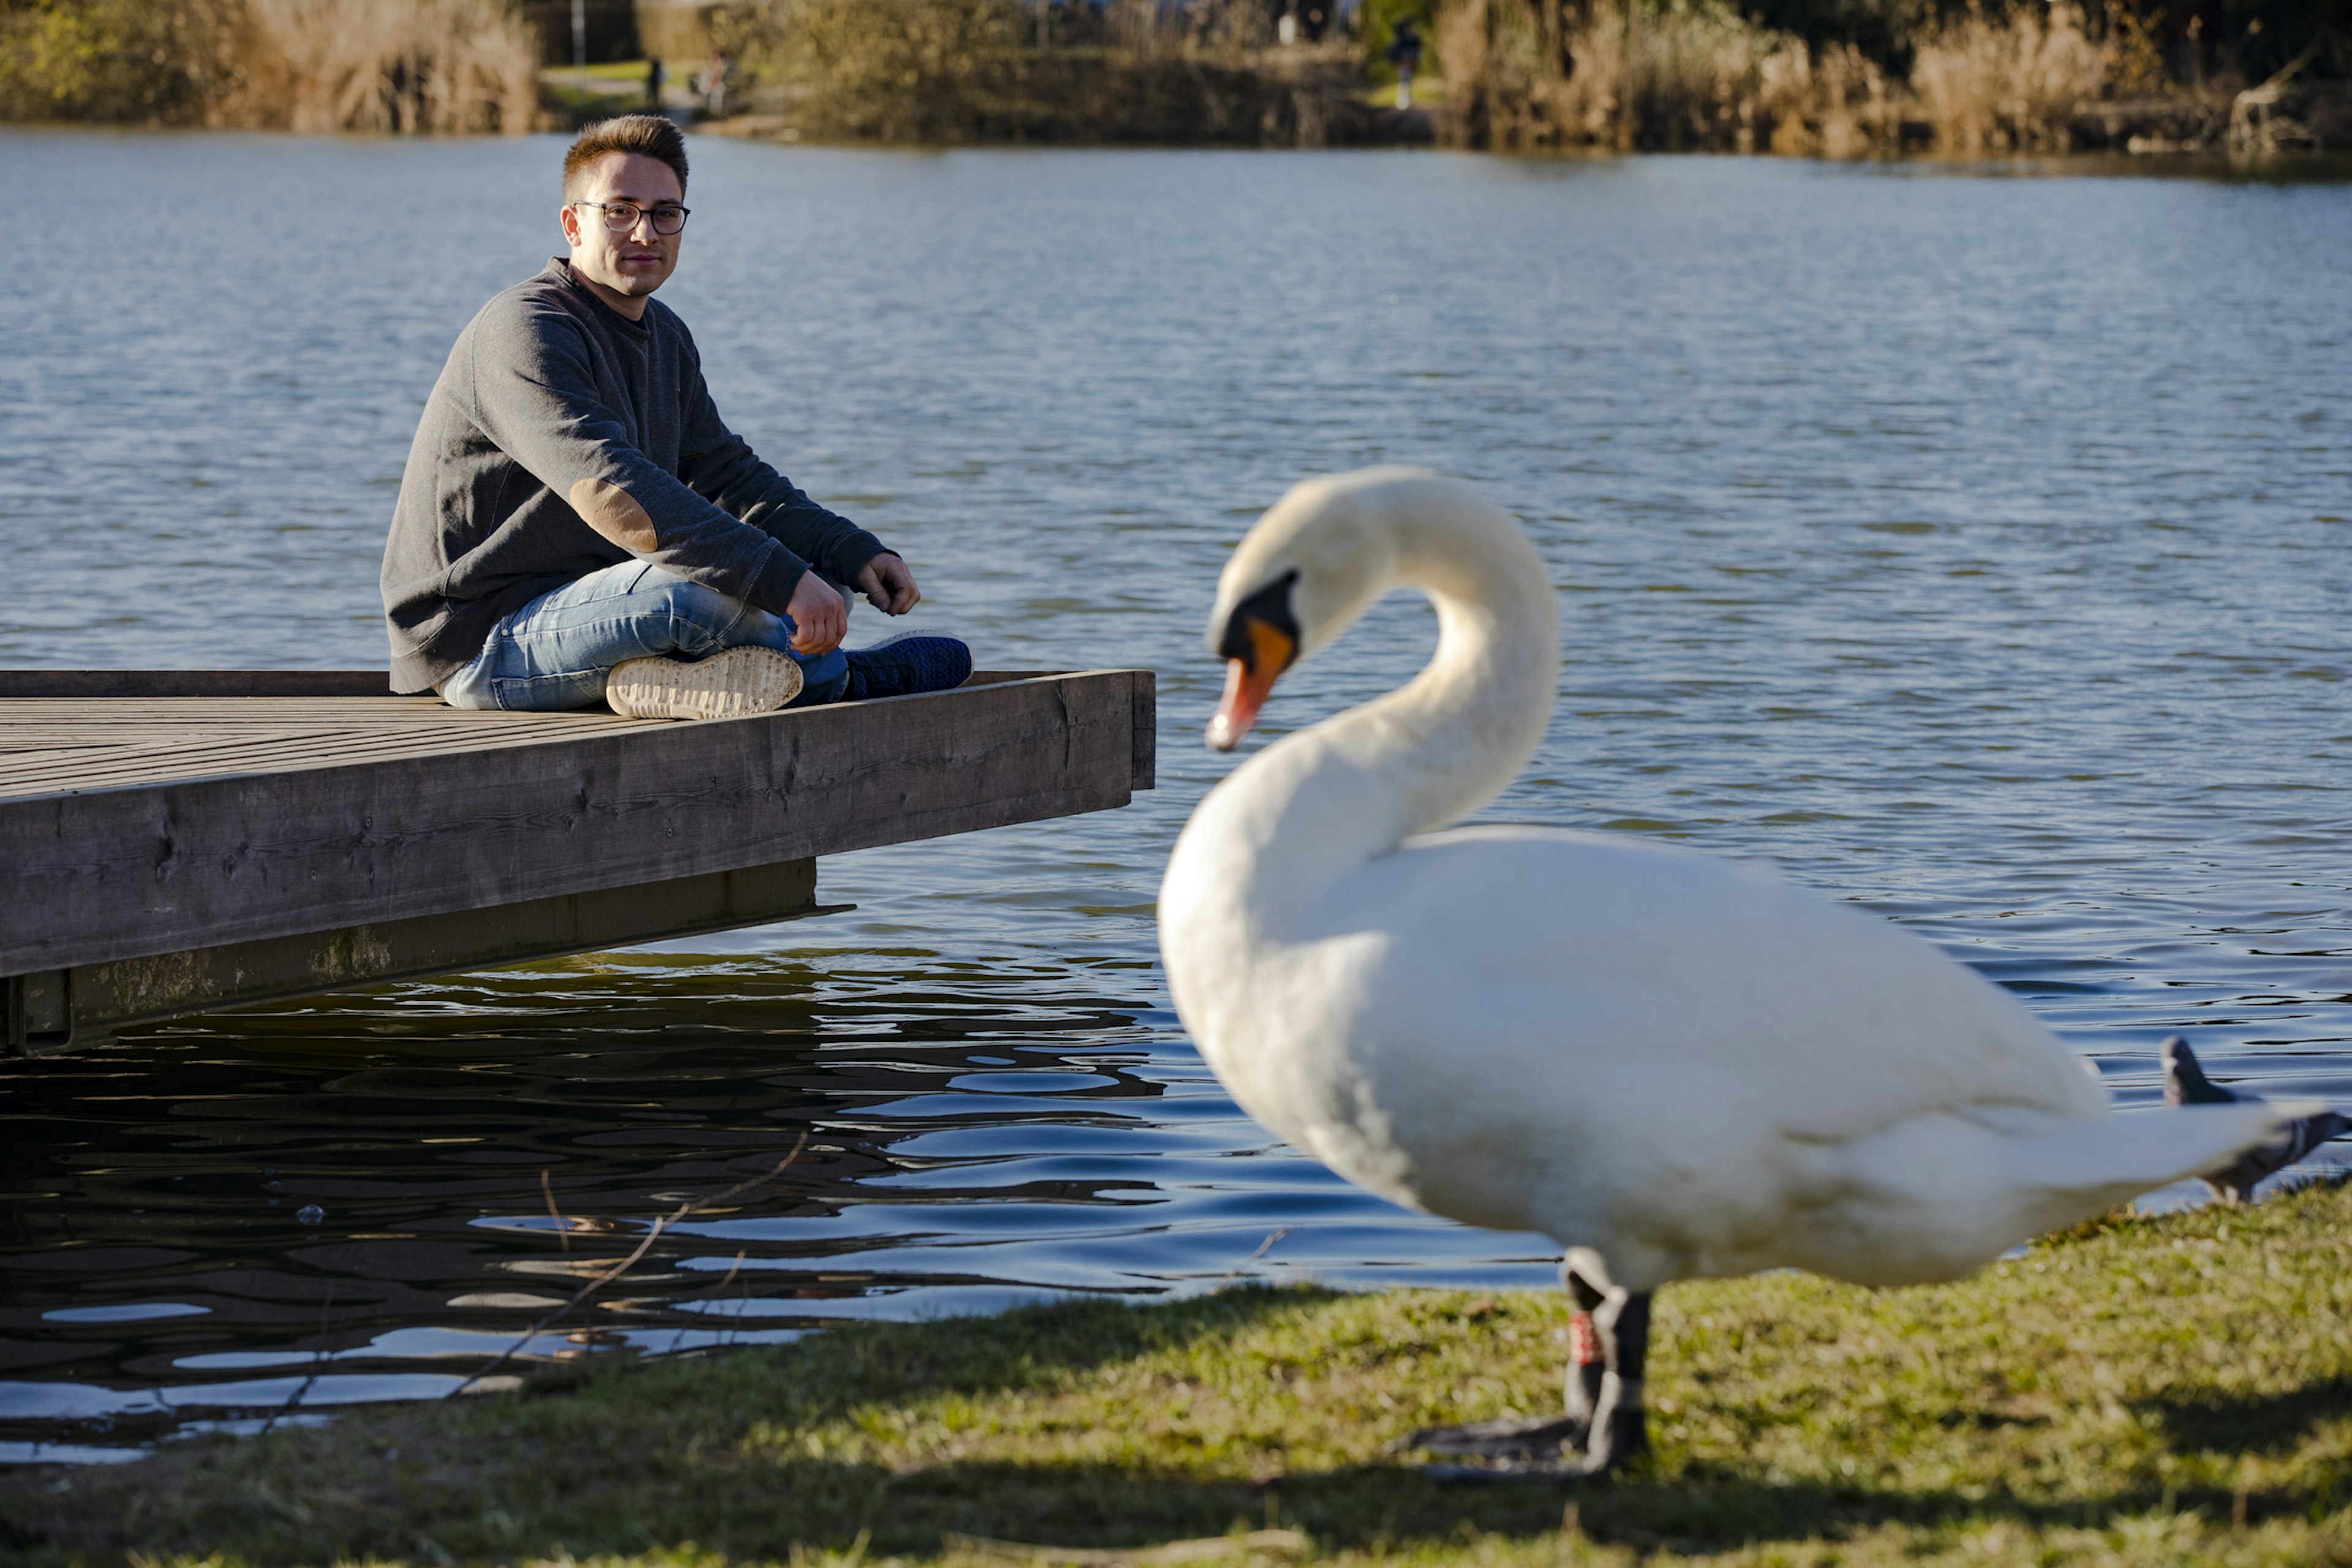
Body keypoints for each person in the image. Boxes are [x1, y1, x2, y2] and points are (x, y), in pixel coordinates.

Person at [380, 115, 969, 720]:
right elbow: (612, 491)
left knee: (813, 575)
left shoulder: (665, 335)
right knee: (697, 590)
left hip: (594, 608)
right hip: (481, 640)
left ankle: (663, 682)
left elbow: (730, 477)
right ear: (573, 223)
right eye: (620, 210)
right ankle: (847, 680)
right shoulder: (525, 329)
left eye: (665, 213)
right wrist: (781, 578)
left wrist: (847, 550)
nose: (645, 231)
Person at [1386, 18, 1422, 110]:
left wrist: (1414, 61)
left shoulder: (1413, 39)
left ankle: (1408, 99)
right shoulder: (1400, 40)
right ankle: (1402, 101)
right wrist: (1401, 61)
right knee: (1404, 80)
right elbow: (1395, 53)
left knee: (1408, 81)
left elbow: (1417, 52)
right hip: (1403, 63)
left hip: (1411, 63)